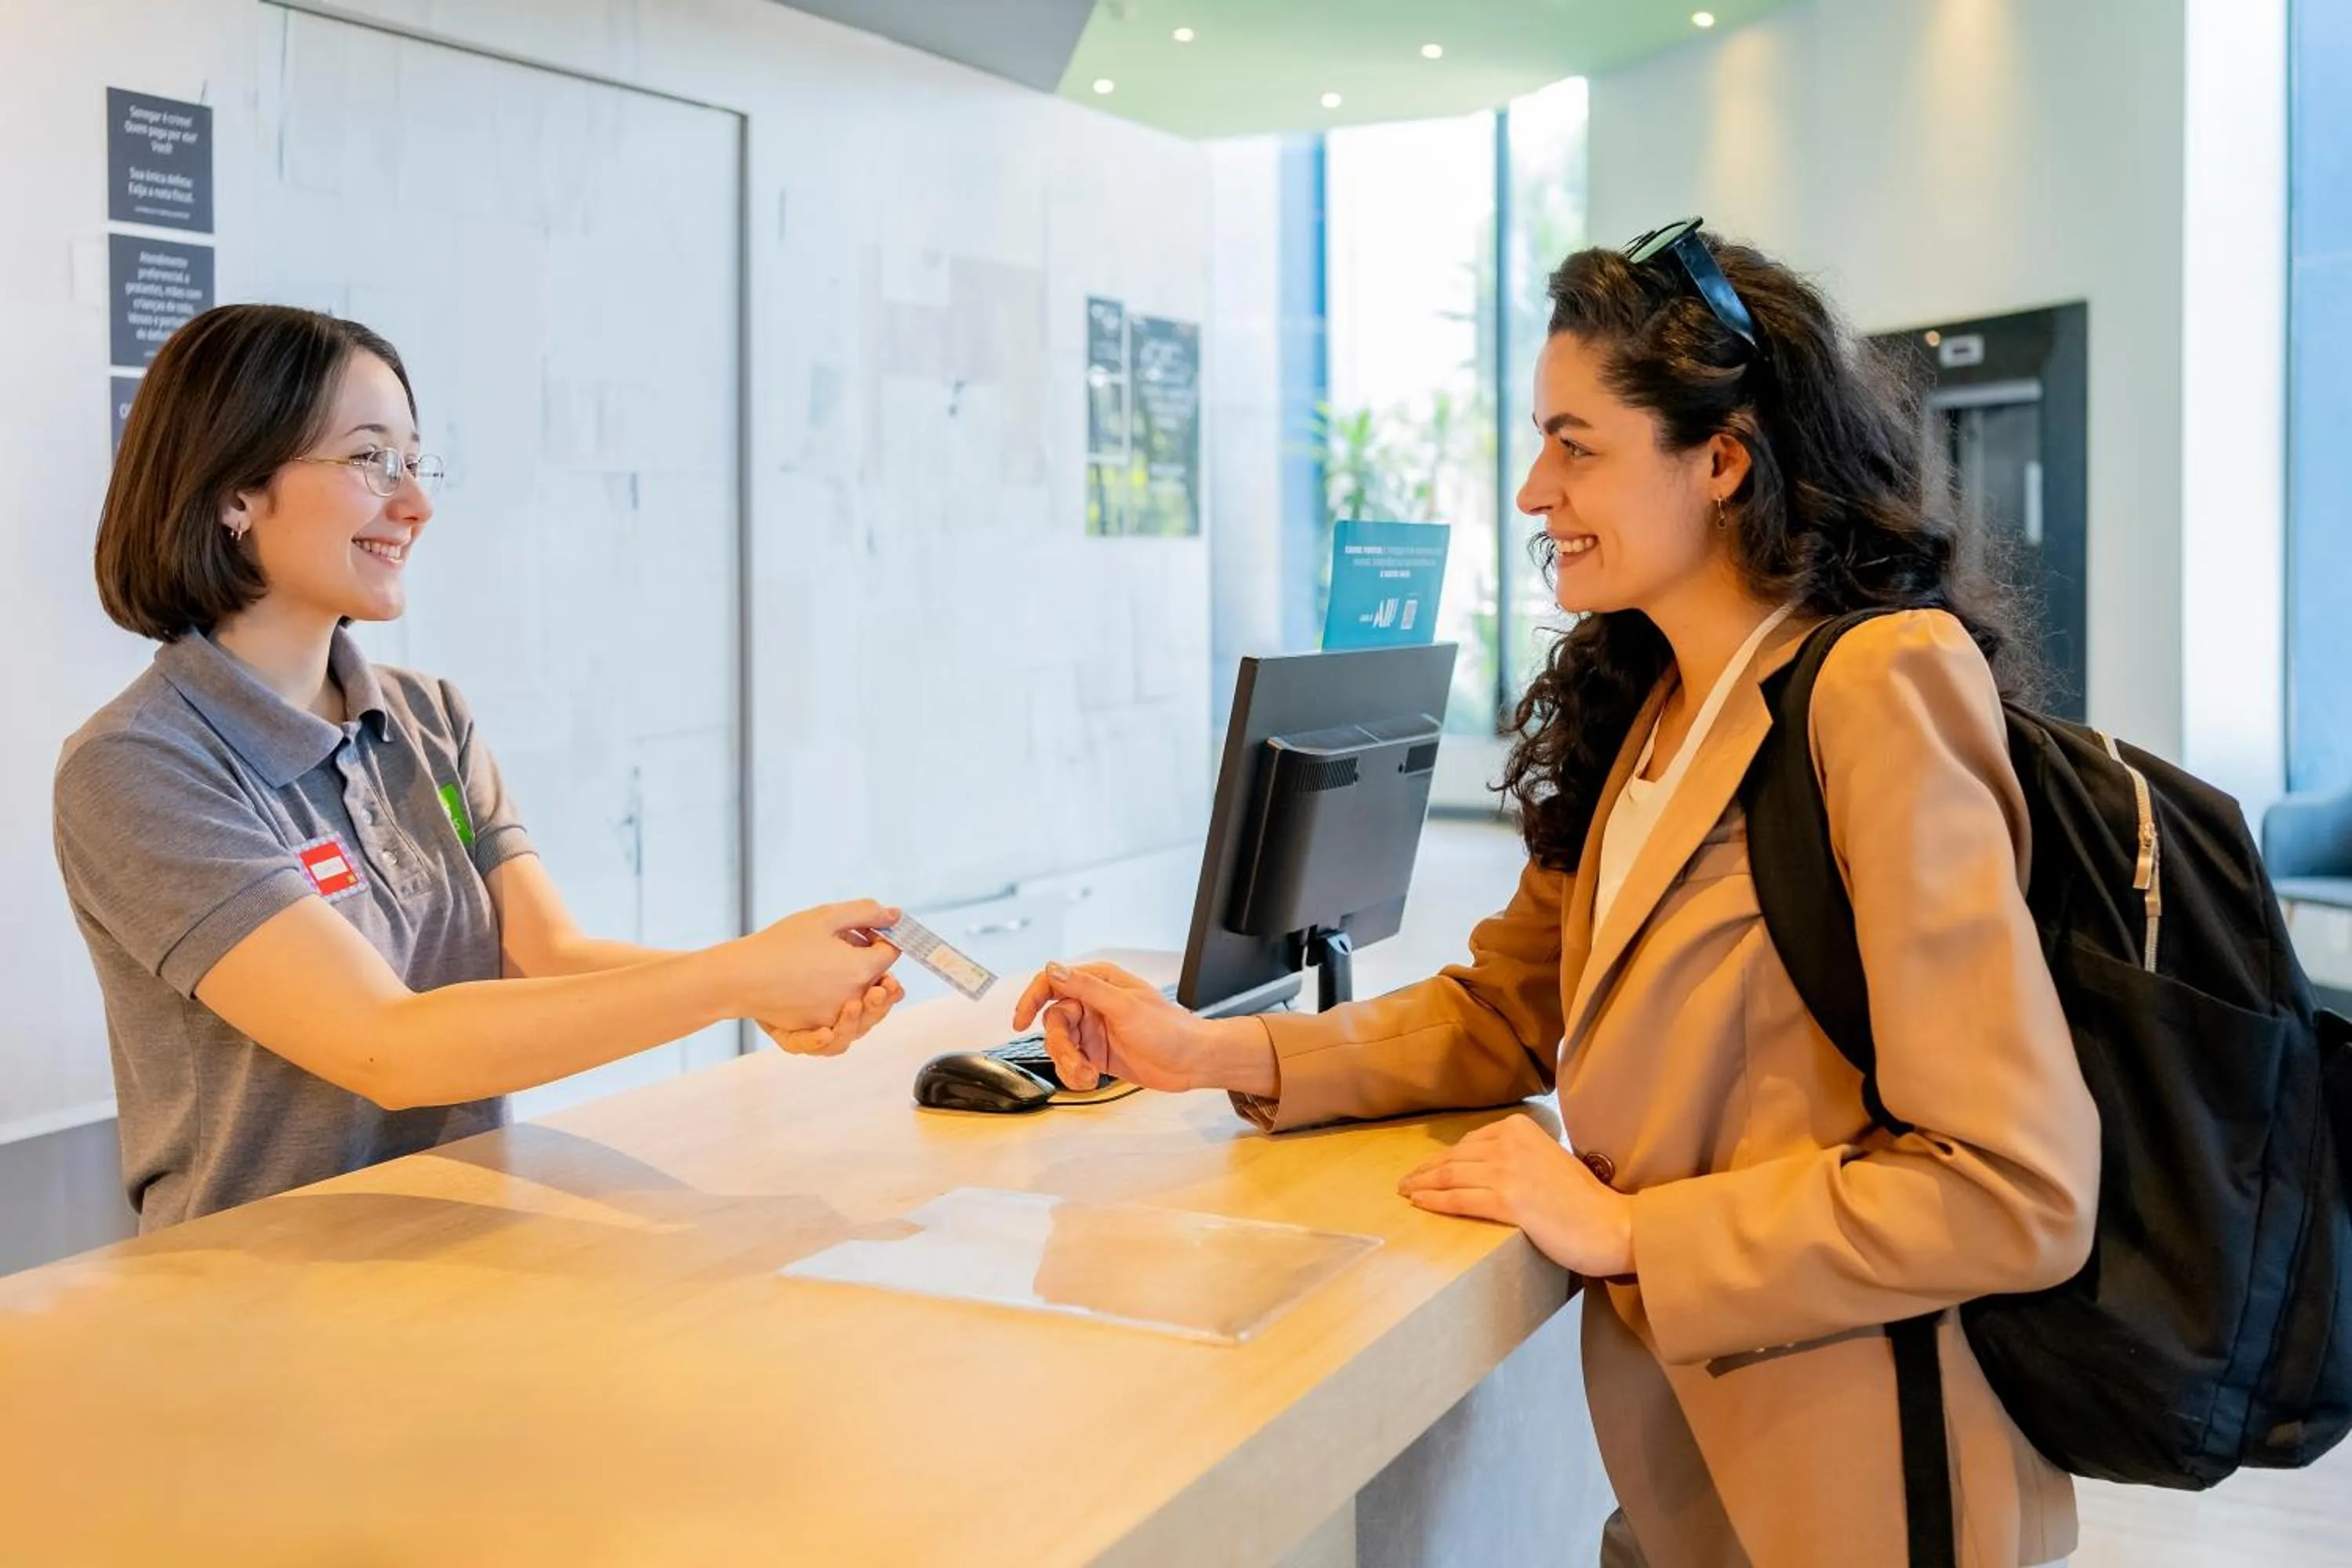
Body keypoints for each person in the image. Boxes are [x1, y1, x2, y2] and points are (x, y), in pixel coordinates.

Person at [1013, 221, 2100, 1566]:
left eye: (1576, 445)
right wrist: (1214, 1049)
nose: (1534, 491)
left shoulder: (1877, 686)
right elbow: (1506, 1013)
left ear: (1721, 458)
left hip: (1858, 1485)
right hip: (1685, 1470)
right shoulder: (1641, 706)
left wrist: (1632, 1227)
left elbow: (2017, 1187)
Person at [55, 304, 904, 1232]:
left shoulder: (431, 719)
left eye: (417, 462)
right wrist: (738, 978)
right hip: (258, 1296)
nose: (415, 502)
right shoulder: (140, 765)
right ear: (235, 493)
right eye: (370, 458)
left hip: (468, 1248)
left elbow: (545, 959)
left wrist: (771, 978)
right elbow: (387, 1044)